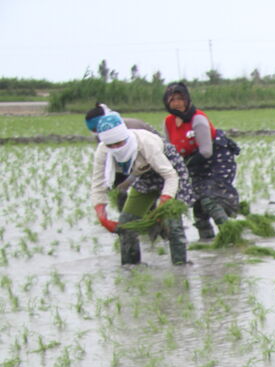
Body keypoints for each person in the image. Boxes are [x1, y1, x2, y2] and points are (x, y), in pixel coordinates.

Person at [90, 111, 195, 266]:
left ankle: (181, 267)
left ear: (125, 137)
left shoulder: (146, 143)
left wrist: (164, 201)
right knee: (126, 224)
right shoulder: (103, 151)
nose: (116, 148)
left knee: (173, 222)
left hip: (170, 168)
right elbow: (98, 184)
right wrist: (101, 214)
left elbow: (170, 176)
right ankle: (130, 267)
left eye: (119, 143)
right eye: (111, 145)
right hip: (145, 174)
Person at [162, 82, 240, 241]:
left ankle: (232, 237)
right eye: (173, 100)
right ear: (167, 102)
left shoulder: (197, 119)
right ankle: (207, 241)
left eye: (180, 99)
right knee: (198, 205)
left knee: (209, 199)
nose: (177, 103)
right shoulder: (168, 122)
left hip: (217, 159)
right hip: (193, 162)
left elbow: (206, 151)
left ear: (187, 99)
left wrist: (183, 166)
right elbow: (169, 148)